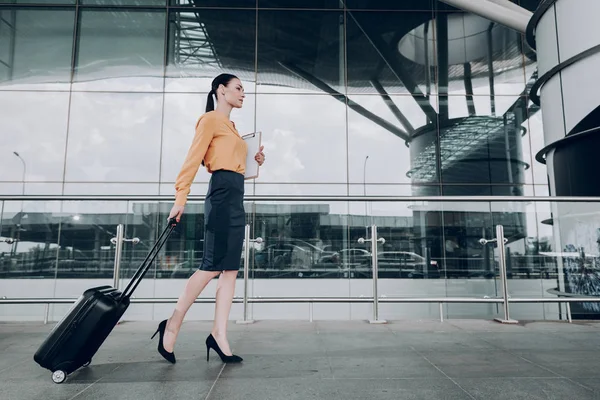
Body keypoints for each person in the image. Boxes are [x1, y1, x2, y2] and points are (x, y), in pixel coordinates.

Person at [151, 73, 265, 364]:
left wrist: (254, 161)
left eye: (244, 90)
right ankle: (173, 323)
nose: (243, 94)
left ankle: (219, 334)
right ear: (221, 90)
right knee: (211, 266)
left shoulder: (232, 128)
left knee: (230, 270)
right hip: (221, 197)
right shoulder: (210, 120)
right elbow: (192, 160)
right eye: (238, 88)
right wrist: (180, 199)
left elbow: (238, 166)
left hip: (236, 196)